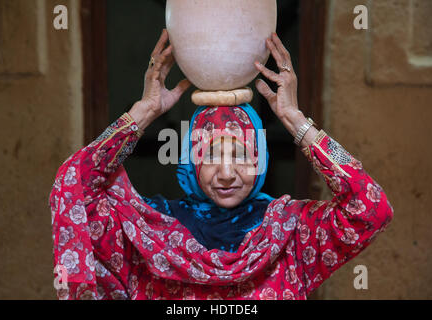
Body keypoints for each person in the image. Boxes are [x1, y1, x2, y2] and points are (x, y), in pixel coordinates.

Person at [49, 30, 393, 300]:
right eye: (210, 155)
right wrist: (143, 113)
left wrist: (297, 122)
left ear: (260, 161)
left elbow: (371, 208)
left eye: (242, 156)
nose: (227, 174)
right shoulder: (147, 234)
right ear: (190, 161)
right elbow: (75, 185)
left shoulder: (291, 234)